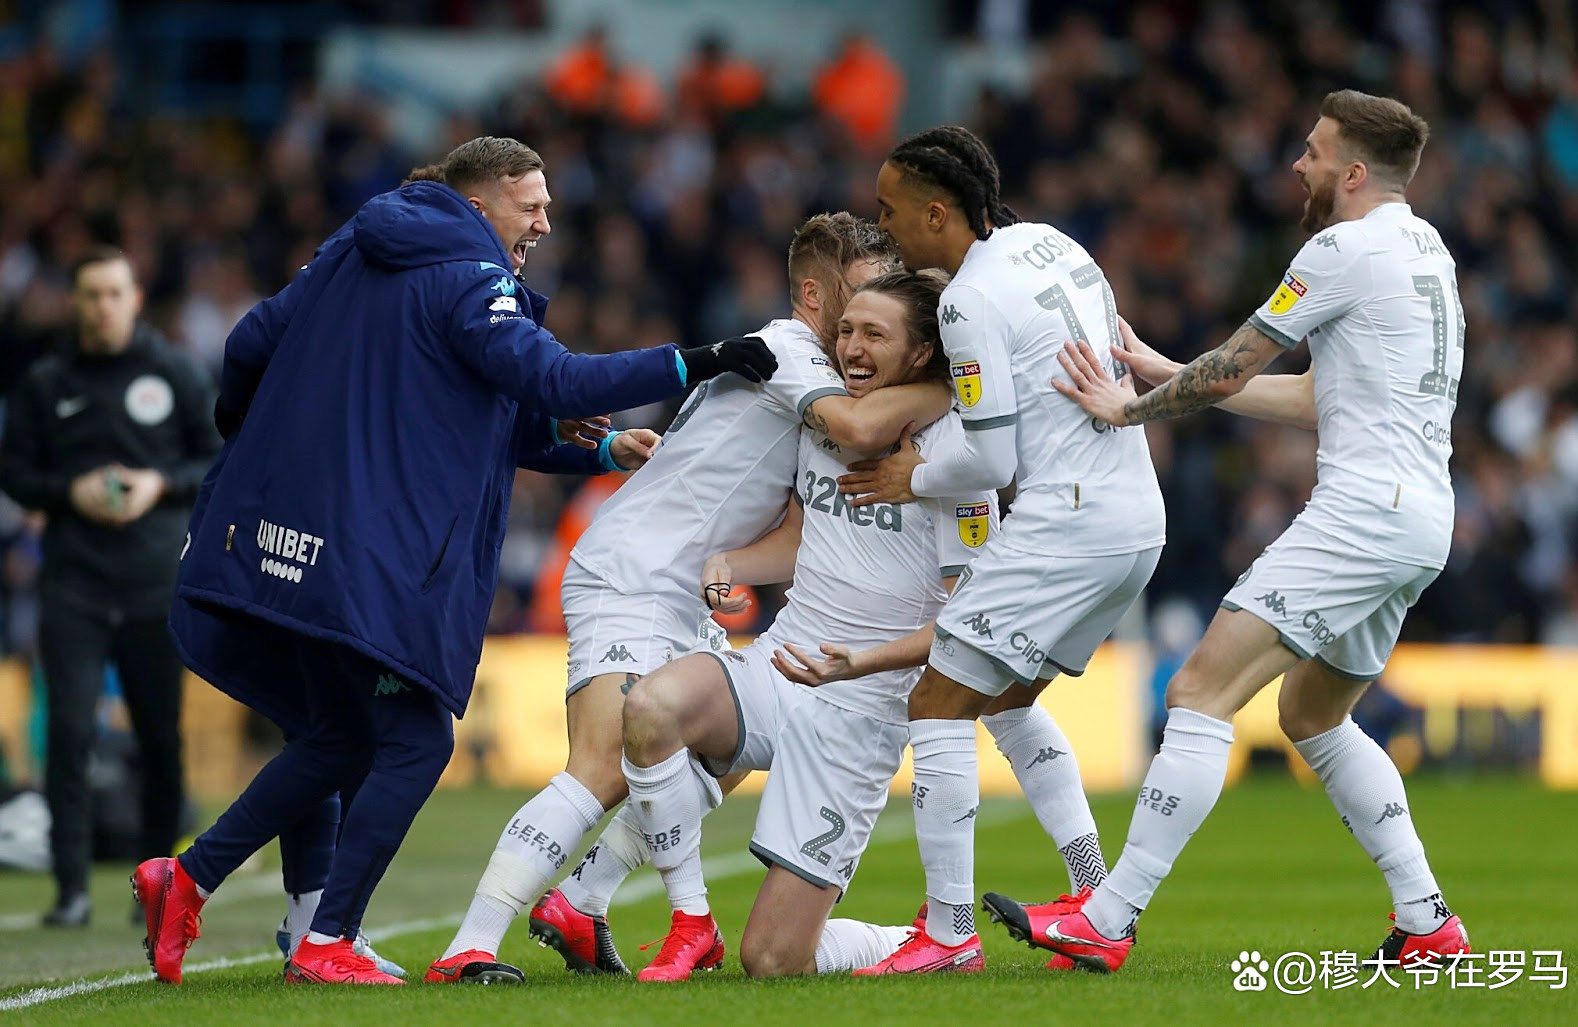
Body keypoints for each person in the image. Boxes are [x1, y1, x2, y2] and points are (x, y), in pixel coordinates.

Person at [130, 135, 777, 987]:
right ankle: (312, 930)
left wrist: (266, 441)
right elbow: (551, 379)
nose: (546, 220)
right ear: (479, 204)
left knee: (339, 731)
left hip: (290, 532)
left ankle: (214, 888)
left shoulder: (348, 254)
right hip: (374, 548)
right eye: (531, 203)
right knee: (414, 737)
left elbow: (256, 344)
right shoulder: (470, 276)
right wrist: (694, 359)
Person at [994, 89, 1470, 972]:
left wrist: (1131, 404)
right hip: (1420, 520)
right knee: (1312, 712)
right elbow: (1310, 395)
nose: (1299, 164)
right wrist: (1174, 369)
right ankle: (1428, 919)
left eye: (1315, 151)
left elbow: (1233, 366)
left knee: (1199, 689)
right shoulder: (1427, 250)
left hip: (1361, 514)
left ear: (1354, 174)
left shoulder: (1337, 247)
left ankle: (1109, 915)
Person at [426, 213, 955, 984]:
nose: (867, 320)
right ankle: (469, 944)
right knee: (604, 765)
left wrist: (730, 557)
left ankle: (586, 896)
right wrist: (962, 378)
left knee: (712, 753)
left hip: (677, 580)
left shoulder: (813, 362)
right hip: (636, 573)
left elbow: (804, 513)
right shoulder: (791, 353)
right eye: (863, 292)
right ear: (816, 293)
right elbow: (857, 424)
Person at [833, 125, 1166, 973]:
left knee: (936, 703)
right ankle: (1093, 895)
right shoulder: (1053, 241)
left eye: (891, 211)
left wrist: (913, 474)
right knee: (1009, 699)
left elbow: (990, 457)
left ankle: (948, 932)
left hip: (1069, 521)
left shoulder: (964, 297)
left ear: (939, 214)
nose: (885, 231)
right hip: (1135, 516)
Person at [620, 269, 996, 980]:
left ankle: (923, 942)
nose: (850, 346)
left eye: (873, 334)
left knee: (773, 960)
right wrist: (732, 558)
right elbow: (802, 534)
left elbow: (969, 622)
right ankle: (690, 918)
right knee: (649, 708)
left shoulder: (957, 460)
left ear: (920, 356)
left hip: (861, 707)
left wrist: (862, 661)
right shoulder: (823, 422)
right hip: (782, 661)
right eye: (847, 329)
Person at [0, 247, 220, 927]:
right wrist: (70, 491)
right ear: (75, 301)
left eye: (114, 293)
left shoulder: (174, 369)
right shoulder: (47, 382)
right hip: (74, 584)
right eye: (91, 294)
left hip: (154, 582)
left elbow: (214, 459)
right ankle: (71, 890)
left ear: (135, 295)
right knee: (67, 734)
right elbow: (15, 473)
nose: (103, 306)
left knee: (161, 738)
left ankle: (155, 883)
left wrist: (160, 484)